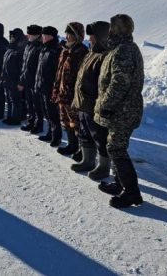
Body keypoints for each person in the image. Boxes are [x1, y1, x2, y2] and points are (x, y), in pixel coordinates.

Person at [94, 14, 145, 208]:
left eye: (111, 27)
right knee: (113, 146)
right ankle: (119, 183)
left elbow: (119, 83)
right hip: (122, 109)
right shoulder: (121, 48)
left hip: (122, 110)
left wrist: (106, 105)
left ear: (115, 29)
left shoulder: (123, 50)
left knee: (117, 148)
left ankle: (132, 193)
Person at [71, 21, 111, 179]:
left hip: (94, 104)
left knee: (99, 136)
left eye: (92, 35)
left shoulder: (105, 55)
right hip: (83, 103)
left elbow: (104, 83)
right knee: (85, 133)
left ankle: (103, 166)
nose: (90, 38)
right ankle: (87, 160)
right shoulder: (90, 52)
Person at [52, 22, 88, 157]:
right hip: (63, 94)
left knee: (77, 124)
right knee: (66, 121)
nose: (67, 37)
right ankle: (71, 145)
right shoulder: (65, 50)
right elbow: (59, 73)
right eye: (67, 34)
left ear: (77, 36)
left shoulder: (82, 52)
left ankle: (82, 151)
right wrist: (56, 90)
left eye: (70, 34)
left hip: (73, 96)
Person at [35, 26, 62, 146]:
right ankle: (50, 133)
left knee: (53, 114)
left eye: (44, 35)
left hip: (50, 87)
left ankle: (56, 136)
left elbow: (57, 71)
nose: (42, 37)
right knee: (47, 112)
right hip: (43, 86)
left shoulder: (56, 50)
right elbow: (40, 69)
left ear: (50, 36)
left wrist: (54, 88)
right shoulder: (44, 48)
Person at [18, 25, 44, 133]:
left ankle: (38, 125)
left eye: (30, 34)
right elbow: (25, 64)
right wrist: (22, 79)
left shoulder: (40, 47)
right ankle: (31, 122)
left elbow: (38, 66)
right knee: (30, 104)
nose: (28, 36)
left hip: (35, 80)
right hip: (27, 79)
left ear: (36, 35)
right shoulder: (29, 45)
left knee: (37, 105)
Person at [2, 28, 26, 125]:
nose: (11, 38)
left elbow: (22, 68)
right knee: (9, 99)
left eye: (13, 37)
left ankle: (15, 119)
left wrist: (20, 82)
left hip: (15, 79)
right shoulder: (10, 48)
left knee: (15, 100)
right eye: (10, 36)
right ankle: (10, 117)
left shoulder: (20, 50)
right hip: (8, 79)